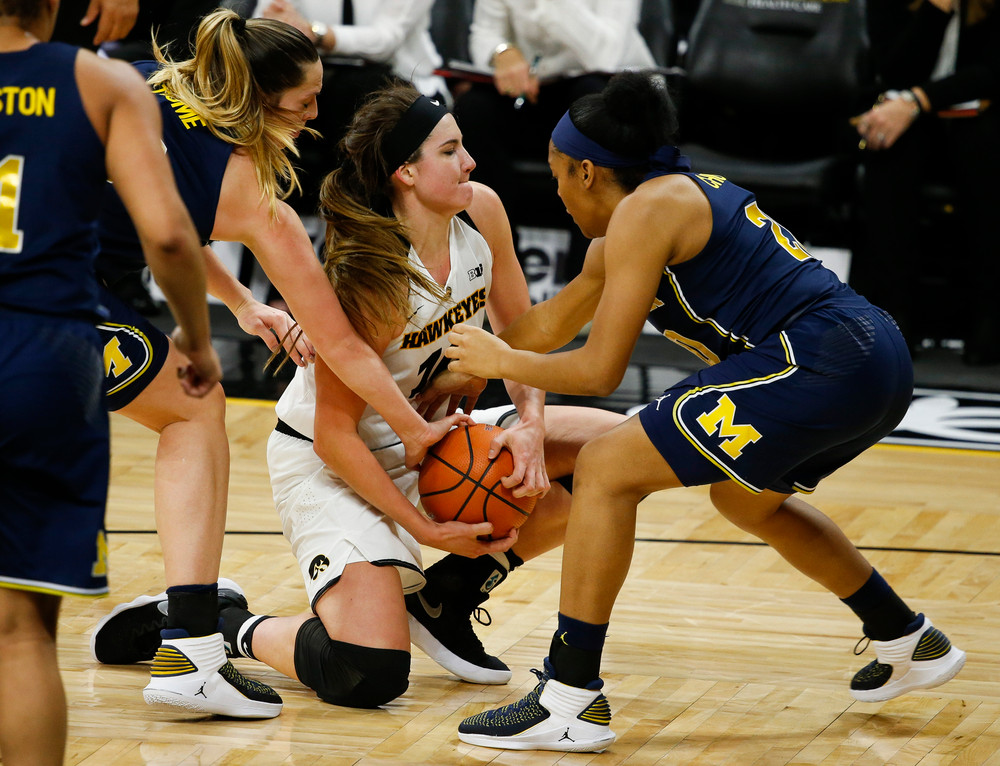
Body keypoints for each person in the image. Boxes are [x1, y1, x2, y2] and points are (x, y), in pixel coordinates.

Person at [444, 71, 967, 752]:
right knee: (745, 503)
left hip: (823, 359)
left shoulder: (646, 212)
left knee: (605, 468)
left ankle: (568, 697)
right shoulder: (640, 217)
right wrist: (452, 353)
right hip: (876, 358)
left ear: (586, 169)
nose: (558, 193)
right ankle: (907, 636)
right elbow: (547, 328)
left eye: (557, 177)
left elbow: (598, 372)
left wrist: (500, 365)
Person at [86, 8, 470, 717]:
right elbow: (346, 345)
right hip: (53, 294)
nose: (316, 115)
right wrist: (414, 432)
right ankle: (195, 645)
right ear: (259, 100)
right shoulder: (250, 197)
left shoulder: (148, 83)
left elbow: (166, 215)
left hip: (41, 276)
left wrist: (237, 303)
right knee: (196, 407)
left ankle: (195, 632)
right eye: (304, 103)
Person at [207, 83, 627, 708]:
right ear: (406, 171)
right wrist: (425, 531)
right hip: (334, 462)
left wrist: (531, 426)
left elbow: (522, 339)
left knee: (616, 449)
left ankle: (444, 600)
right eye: (452, 150)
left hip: (432, 440)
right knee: (366, 672)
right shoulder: (372, 273)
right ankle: (226, 624)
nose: (471, 163)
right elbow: (334, 435)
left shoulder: (481, 210)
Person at [0, 0, 221, 762]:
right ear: (54, 5)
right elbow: (166, 233)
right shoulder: (102, 82)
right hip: (45, 352)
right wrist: (196, 337)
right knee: (21, 630)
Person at [451, 0, 655, 272]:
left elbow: (604, 54)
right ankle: (492, 261)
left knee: (593, 97)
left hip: (601, 92)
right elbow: (484, 32)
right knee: (473, 108)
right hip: (531, 92)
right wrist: (502, 52)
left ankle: (588, 272)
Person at [849, 0, 999, 364]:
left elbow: (992, 72)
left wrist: (918, 101)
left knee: (985, 141)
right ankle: (894, 316)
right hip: (914, 127)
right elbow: (894, 71)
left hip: (981, 121)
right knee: (890, 147)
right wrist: (937, 9)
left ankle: (989, 320)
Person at [254, 0, 449, 212]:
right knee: (274, 89)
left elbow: (385, 41)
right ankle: (272, 212)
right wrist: (278, 24)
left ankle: (359, 219)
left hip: (397, 76)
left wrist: (314, 32)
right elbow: (260, 24)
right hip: (309, 76)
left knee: (357, 90)